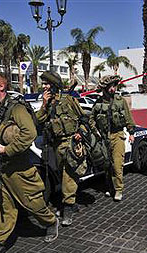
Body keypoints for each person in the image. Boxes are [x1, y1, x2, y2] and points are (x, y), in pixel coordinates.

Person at [0, 73, 59, 253]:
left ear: (1, 86)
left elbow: (30, 133)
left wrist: (6, 149)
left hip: (18, 168)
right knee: (0, 207)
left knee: (33, 203)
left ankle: (51, 222)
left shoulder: (16, 108)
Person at [36, 71, 86, 226]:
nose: (43, 86)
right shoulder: (47, 103)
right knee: (63, 175)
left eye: (46, 83)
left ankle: (68, 208)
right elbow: (38, 121)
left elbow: (83, 118)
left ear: (54, 85)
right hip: (57, 145)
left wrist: (80, 133)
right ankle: (71, 202)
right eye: (43, 83)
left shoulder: (68, 100)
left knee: (69, 175)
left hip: (71, 142)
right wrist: (44, 105)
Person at [89, 75, 135, 201]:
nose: (113, 89)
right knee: (107, 165)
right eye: (110, 86)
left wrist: (131, 133)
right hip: (104, 138)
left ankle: (118, 189)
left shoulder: (121, 101)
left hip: (117, 135)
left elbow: (128, 118)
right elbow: (91, 119)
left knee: (117, 164)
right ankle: (110, 187)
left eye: (114, 86)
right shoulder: (98, 103)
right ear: (105, 88)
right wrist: (96, 132)